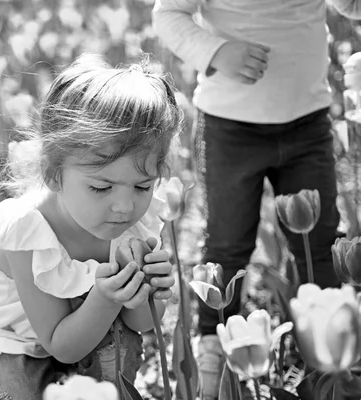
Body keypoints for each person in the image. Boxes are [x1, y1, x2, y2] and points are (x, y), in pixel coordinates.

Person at [152, 1, 361, 399]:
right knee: (228, 245)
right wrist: (215, 52)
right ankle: (214, 345)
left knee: (318, 242)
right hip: (231, 128)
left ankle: (331, 351)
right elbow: (167, 14)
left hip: (308, 121)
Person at [0, 53, 182, 400]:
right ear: (53, 173)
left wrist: (149, 292)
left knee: (121, 350)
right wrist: (105, 298)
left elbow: (140, 326)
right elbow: (61, 345)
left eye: (143, 186)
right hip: (14, 344)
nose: (124, 206)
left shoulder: (139, 221)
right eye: (101, 188)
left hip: (88, 337)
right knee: (18, 393)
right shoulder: (27, 231)